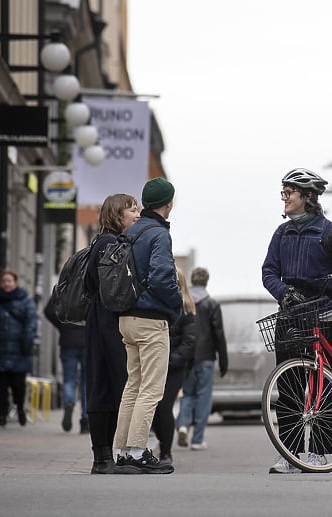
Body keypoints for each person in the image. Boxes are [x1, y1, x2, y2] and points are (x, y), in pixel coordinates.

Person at [262, 167, 332, 474]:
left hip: (325, 314)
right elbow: (269, 271)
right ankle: (290, 453)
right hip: (291, 315)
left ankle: (321, 452)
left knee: (323, 384)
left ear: (307, 197)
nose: (284, 198)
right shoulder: (281, 233)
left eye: (289, 193)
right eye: (283, 192)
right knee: (289, 386)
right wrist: (284, 292)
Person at [114, 177, 182, 475]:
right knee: (152, 390)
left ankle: (121, 451)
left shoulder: (130, 232)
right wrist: (176, 305)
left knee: (133, 386)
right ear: (169, 204)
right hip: (151, 320)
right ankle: (139, 451)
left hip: (126, 318)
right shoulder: (158, 234)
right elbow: (162, 278)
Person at [83, 193, 139, 473]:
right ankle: (103, 456)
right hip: (108, 319)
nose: (137, 214)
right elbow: (112, 288)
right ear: (117, 214)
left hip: (101, 318)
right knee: (111, 385)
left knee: (104, 385)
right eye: (131, 210)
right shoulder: (109, 244)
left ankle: (104, 456)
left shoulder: (100, 242)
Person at [176, 267, 228, 451]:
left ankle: (182, 425)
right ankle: (197, 439)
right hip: (206, 357)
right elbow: (219, 334)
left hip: (187, 357)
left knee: (187, 394)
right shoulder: (211, 304)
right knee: (204, 397)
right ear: (206, 281)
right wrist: (223, 361)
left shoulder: (184, 302)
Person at [0, 269, 37, 428]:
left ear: (15, 283)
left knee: (18, 385)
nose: (6, 284)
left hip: (19, 351)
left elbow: (31, 324)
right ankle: (1, 415)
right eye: (4, 281)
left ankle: (20, 408)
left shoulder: (26, 302)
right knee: (0, 388)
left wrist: (26, 343)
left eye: (9, 281)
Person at [152, 268, 196, 465]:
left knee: (164, 407)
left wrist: (170, 360)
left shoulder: (187, 309)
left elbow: (189, 341)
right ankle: (157, 446)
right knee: (152, 407)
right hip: (155, 364)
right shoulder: (157, 306)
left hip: (174, 367)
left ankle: (166, 452)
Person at [43, 299, 88, 433]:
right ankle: (85, 420)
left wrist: (63, 324)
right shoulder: (91, 284)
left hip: (68, 339)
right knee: (87, 382)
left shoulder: (65, 284)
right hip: (88, 340)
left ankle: (69, 402)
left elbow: (49, 311)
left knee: (69, 379)